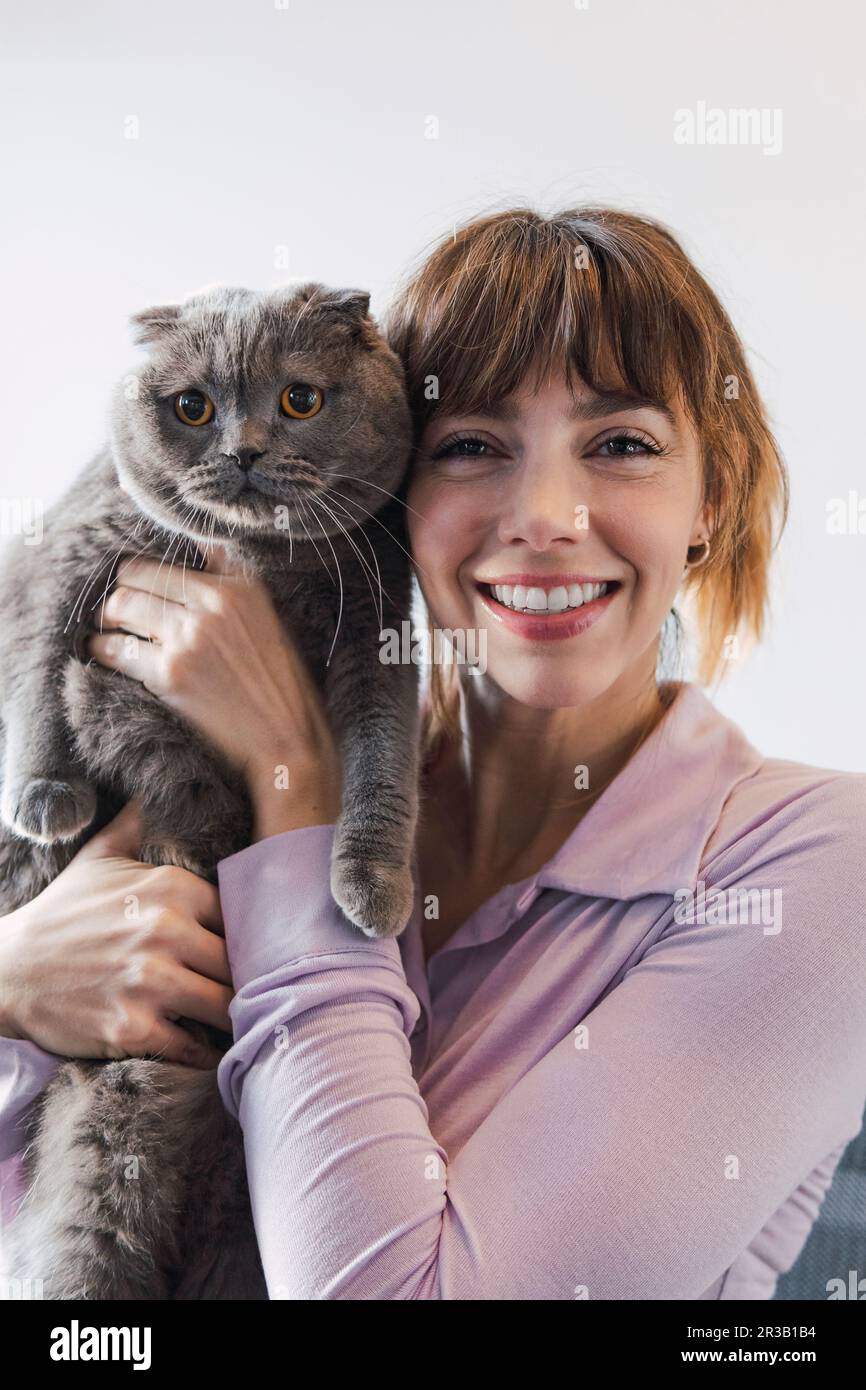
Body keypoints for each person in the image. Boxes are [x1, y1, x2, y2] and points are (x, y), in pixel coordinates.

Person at [2, 206, 865, 1300]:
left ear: (712, 501)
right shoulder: (207, 780)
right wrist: (16, 988)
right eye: (471, 446)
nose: (545, 514)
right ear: (396, 483)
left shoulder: (815, 867)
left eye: (622, 445)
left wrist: (298, 779)